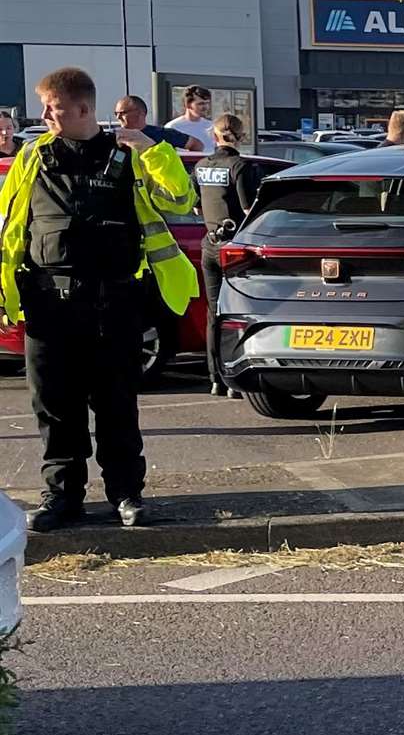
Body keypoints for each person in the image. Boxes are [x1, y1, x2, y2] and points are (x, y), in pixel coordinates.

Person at [0, 67, 198, 531]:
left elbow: (178, 199)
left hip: (113, 301)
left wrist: (152, 150)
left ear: (83, 109)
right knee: (53, 406)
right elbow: (11, 223)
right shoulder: (34, 156)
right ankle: (61, 497)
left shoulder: (129, 154)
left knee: (115, 405)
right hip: (48, 302)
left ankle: (126, 494)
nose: (46, 115)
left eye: (55, 107)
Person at [194, 113, 263, 398]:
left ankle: (215, 378)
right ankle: (236, 377)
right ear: (241, 135)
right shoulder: (240, 166)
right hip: (234, 248)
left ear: (214, 136)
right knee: (238, 312)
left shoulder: (201, 165)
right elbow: (249, 211)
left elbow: (198, 209)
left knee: (214, 313)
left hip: (209, 245)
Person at [114, 94, 198, 152]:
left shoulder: (163, 134)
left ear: (140, 113)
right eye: (116, 114)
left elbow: (196, 144)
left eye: (122, 113)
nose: (118, 117)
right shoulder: (114, 137)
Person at [165, 85, 216, 152]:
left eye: (207, 103)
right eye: (201, 104)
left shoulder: (212, 126)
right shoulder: (173, 127)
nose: (206, 107)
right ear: (188, 105)